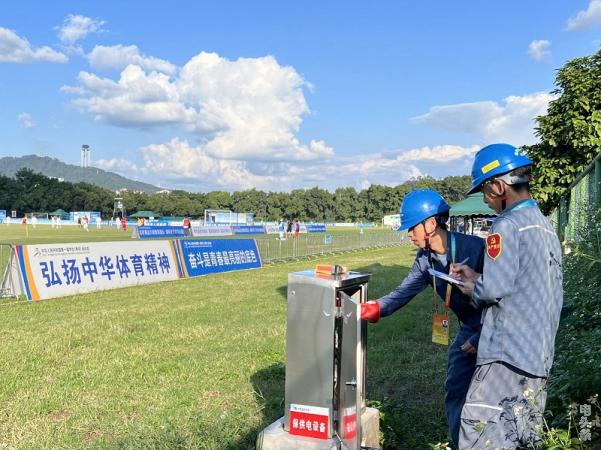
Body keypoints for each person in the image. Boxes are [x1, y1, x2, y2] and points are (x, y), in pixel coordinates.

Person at [451, 143, 563, 449]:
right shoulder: (544, 226)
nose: (486, 202)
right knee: (521, 435)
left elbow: (494, 290)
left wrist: (471, 286)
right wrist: (478, 276)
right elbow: (518, 282)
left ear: (500, 186)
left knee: (480, 430)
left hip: (506, 355)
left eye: (485, 193)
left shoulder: (506, 225)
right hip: (537, 358)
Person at [361, 189, 485, 447]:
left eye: (411, 228)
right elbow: (404, 291)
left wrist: (481, 335)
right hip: (468, 328)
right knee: (456, 388)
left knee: (486, 397)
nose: (408, 235)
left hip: (495, 327)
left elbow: (504, 298)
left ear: (431, 223)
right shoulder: (425, 260)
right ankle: (461, 442)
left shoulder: (475, 248)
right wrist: (375, 308)